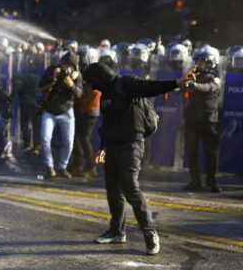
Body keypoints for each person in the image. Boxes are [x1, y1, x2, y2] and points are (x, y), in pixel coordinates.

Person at [84, 62, 195, 255]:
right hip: (113, 147)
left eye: (90, 80)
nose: (89, 85)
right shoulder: (106, 94)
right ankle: (117, 232)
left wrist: (178, 82)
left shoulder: (125, 84)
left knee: (130, 188)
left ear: (98, 78)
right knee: (113, 189)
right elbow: (109, 124)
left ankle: (149, 232)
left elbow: (151, 87)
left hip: (131, 145)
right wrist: (103, 148)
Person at [38, 52, 83, 179]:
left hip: (67, 110)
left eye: (70, 65)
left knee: (68, 142)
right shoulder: (52, 70)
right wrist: (53, 78)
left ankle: (62, 167)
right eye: (65, 64)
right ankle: (49, 166)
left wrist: (72, 85)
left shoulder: (77, 75)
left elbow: (80, 94)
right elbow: (40, 86)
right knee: (44, 138)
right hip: (50, 109)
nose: (67, 68)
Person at [182, 51, 221, 193]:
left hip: (209, 121)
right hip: (192, 121)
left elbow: (209, 88)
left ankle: (212, 181)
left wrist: (194, 86)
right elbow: (179, 88)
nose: (200, 65)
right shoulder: (191, 77)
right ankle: (195, 181)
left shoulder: (214, 79)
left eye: (203, 62)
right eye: (198, 62)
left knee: (211, 154)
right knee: (191, 152)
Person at [70, 47, 101, 178]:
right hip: (83, 109)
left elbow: (93, 93)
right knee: (76, 138)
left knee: (84, 138)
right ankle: (76, 165)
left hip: (89, 111)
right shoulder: (87, 71)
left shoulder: (95, 73)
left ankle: (91, 167)